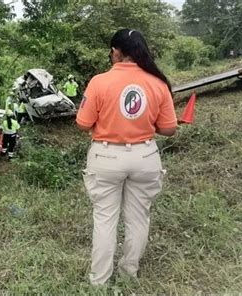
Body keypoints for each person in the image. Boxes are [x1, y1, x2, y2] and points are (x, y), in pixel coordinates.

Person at [76, 29, 177, 285]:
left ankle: (99, 281)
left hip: (106, 157)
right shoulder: (158, 82)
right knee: (138, 218)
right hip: (145, 156)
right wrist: (144, 124)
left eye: (111, 51)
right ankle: (128, 275)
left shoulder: (99, 82)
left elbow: (83, 123)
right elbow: (169, 129)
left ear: (117, 52)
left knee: (105, 218)